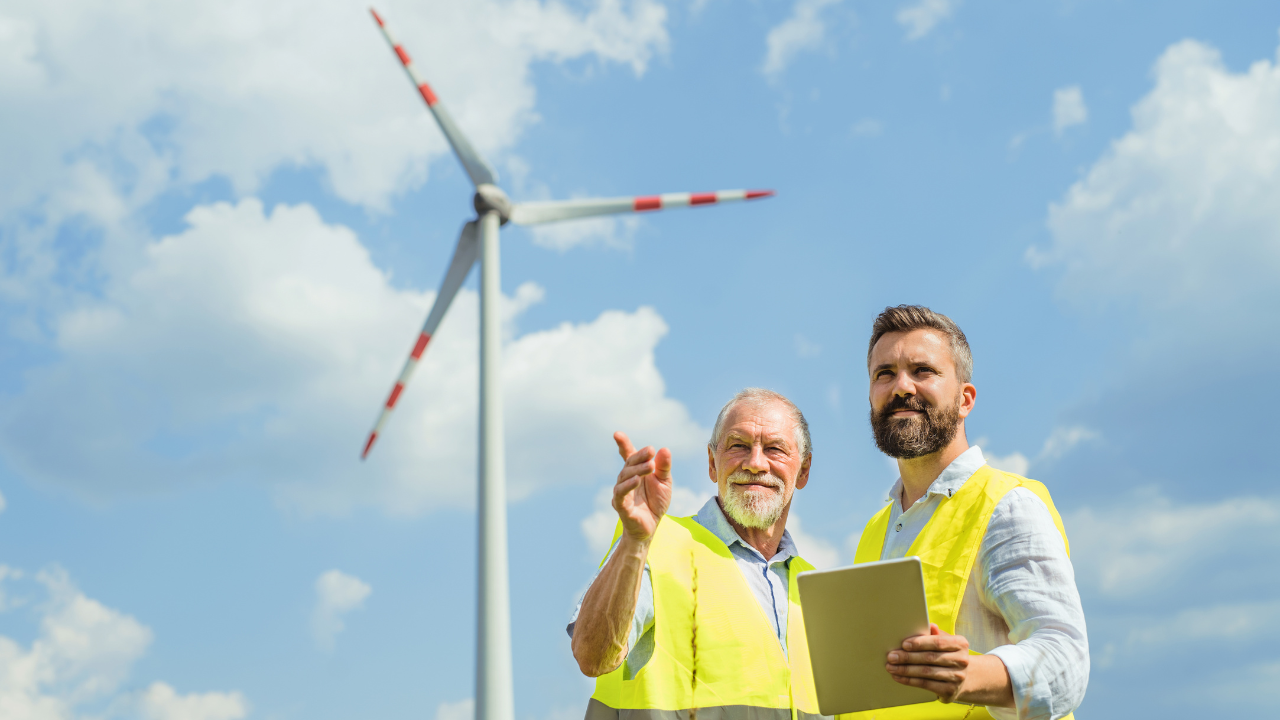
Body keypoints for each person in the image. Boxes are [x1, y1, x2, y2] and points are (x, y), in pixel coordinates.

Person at [847, 305, 1088, 720]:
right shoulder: (875, 530)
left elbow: (1065, 662)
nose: (901, 386)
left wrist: (968, 675)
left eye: (922, 370)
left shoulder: (1008, 506)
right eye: (884, 373)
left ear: (965, 399)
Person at [569, 388, 828, 720]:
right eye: (738, 446)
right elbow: (593, 655)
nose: (755, 463)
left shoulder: (817, 589)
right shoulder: (654, 543)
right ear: (711, 463)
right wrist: (634, 541)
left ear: (803, 471)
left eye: (775, 449)